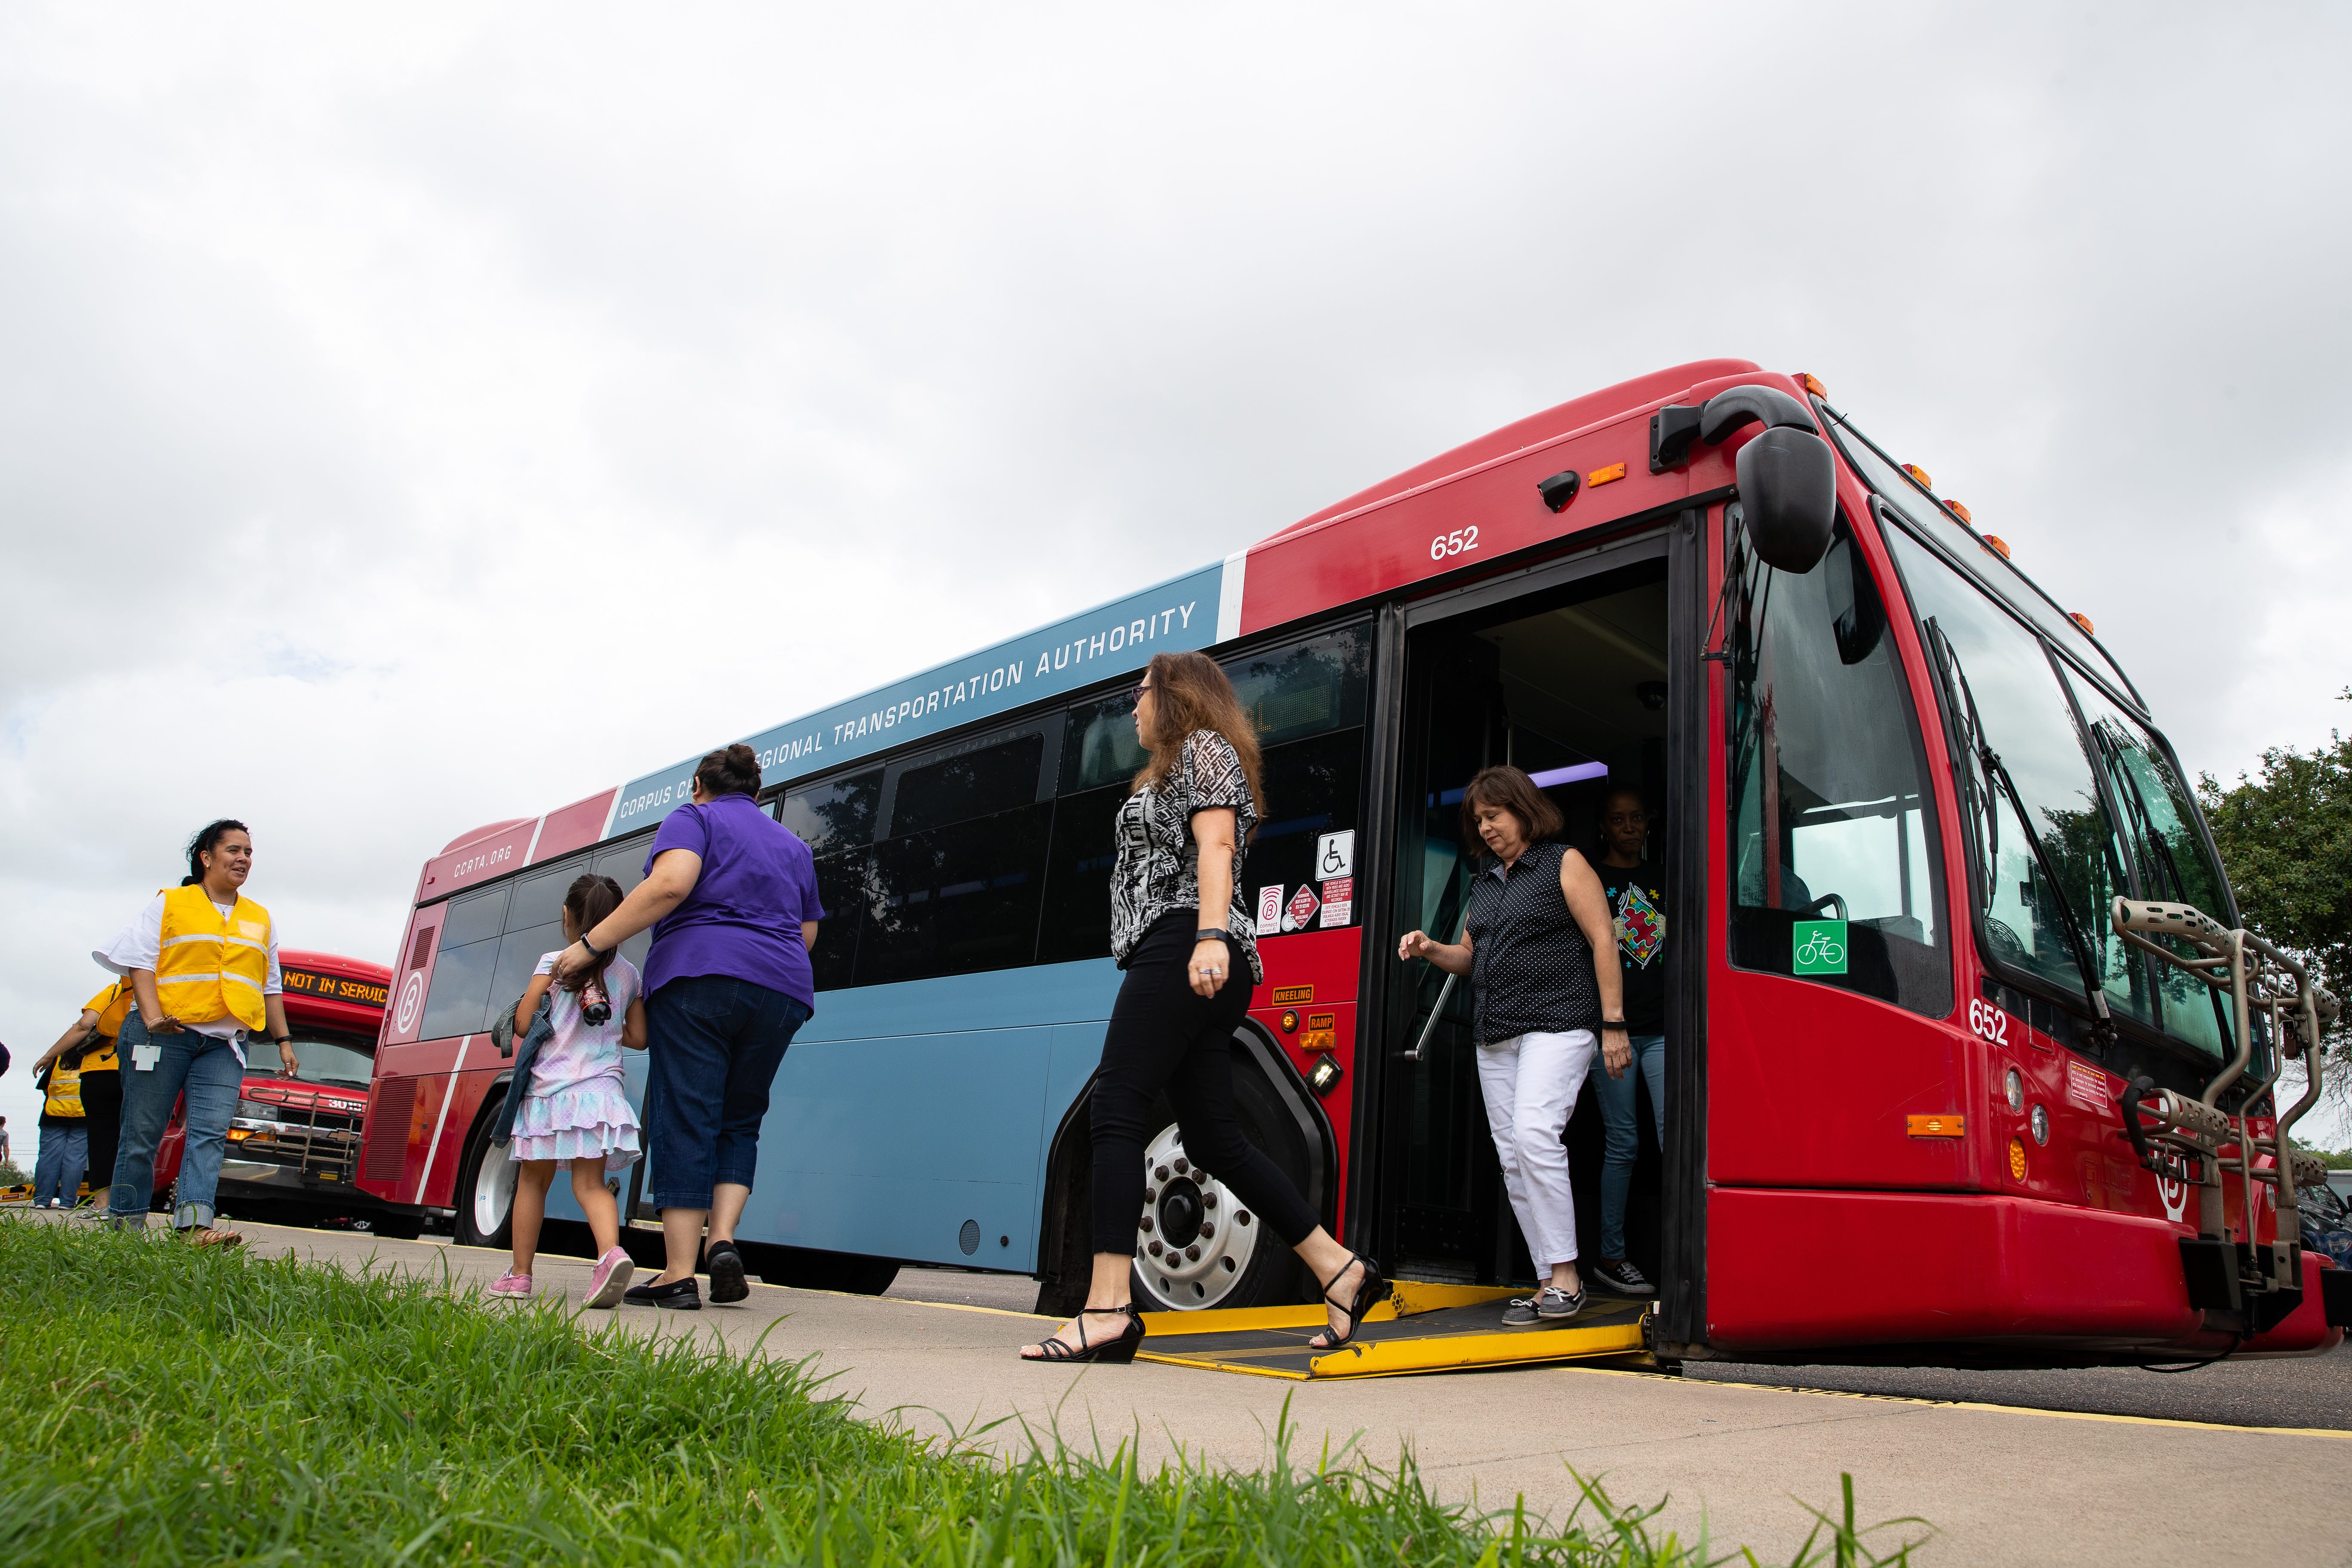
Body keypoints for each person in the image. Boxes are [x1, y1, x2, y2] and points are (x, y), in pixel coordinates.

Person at [1021, 651, 1383, 1363]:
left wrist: (1209, 937)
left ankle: (1107, 1308)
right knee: (1215, 1139)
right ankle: (1339, 1268)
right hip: (1187, 947)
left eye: (1141, 693)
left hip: (1185, 941)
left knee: (1116, 1109)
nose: (1132, 707)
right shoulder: (1170, 767)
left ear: (1176, 695)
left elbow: (1217, 846)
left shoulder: (1203, 749)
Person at [548, 744, 823, 1311]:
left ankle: (677, 1273)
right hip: (783, 989)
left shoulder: (692, 818)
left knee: (687, 1114)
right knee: (740, 1118)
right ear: (756, 792)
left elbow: (672, 884)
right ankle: (721, 1239)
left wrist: (591, 945)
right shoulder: (793, 847)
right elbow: (807, 933)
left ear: (699, 784)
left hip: (700, 978)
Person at [1397, 766, 1628, 1327]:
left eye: (1494, 816)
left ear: (1524, 810)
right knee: (1513, 1160)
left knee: (1533, 1133)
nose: (1487, 827)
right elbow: (1471, 958)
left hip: (1559, 1024)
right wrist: (1431, 948)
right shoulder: (1486, 881)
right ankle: (1549, 1280)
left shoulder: (1563, 862)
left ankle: (1568, 1275)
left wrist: (1614, 1024)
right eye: (1479, 820)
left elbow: (1604, 938)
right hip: (1495, 1034)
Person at [97, 820, 299, 1245]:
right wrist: (152, 1018)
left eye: (248, 852)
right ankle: (124, 1230)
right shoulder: (171, 903)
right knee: (142, 1134)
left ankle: (192, 1228)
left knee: (209, 1134)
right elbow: (140, 962)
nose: (243, 859)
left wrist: (284, 1042)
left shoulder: (260, 919)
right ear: (206, 857)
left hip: (224, 1045)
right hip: (162, 1035)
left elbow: (270, 986)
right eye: (233, 850)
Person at [488, 874, 647, 1308]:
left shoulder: (552, 963)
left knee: (532, 1184)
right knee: (592, 1185)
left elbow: (522, 1026)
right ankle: (609, 1256)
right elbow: (638, 1037)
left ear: (567, 917)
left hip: (549, 1093)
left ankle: (520, 1276)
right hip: (600, 1093)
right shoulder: (629, 975)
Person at [1587, 789, 1667, 1298]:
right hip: (1611, 1034)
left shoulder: (1665, 878)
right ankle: (1613, 1257)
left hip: (1662, 1031)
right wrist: (1605, 1024)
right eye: (1618, 819)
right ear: (1605, 827)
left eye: (1637, 817)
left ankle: (1690, 1245)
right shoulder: (1592, 881)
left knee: (1674, 1136)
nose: (1629, 827)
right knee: (1624, 1143)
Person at [32, 981, 132, 1214]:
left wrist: (50, 1056)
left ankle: (102, 1205)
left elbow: (83, 1026)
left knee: (100, 1142)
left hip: (99, 1072)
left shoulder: (115, 991)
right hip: (140, 1068)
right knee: (136, 1140)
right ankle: (130, 1204)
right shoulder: (160, 990)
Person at [31, 1051, 87, 1208]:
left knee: (48, 1158)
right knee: (75, 1159)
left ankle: (42, 1201)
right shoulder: (91, 1060)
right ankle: (68, 1202)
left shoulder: (58, 1060)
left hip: (53, 1115)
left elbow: (45, 1088)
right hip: (83, 1116)